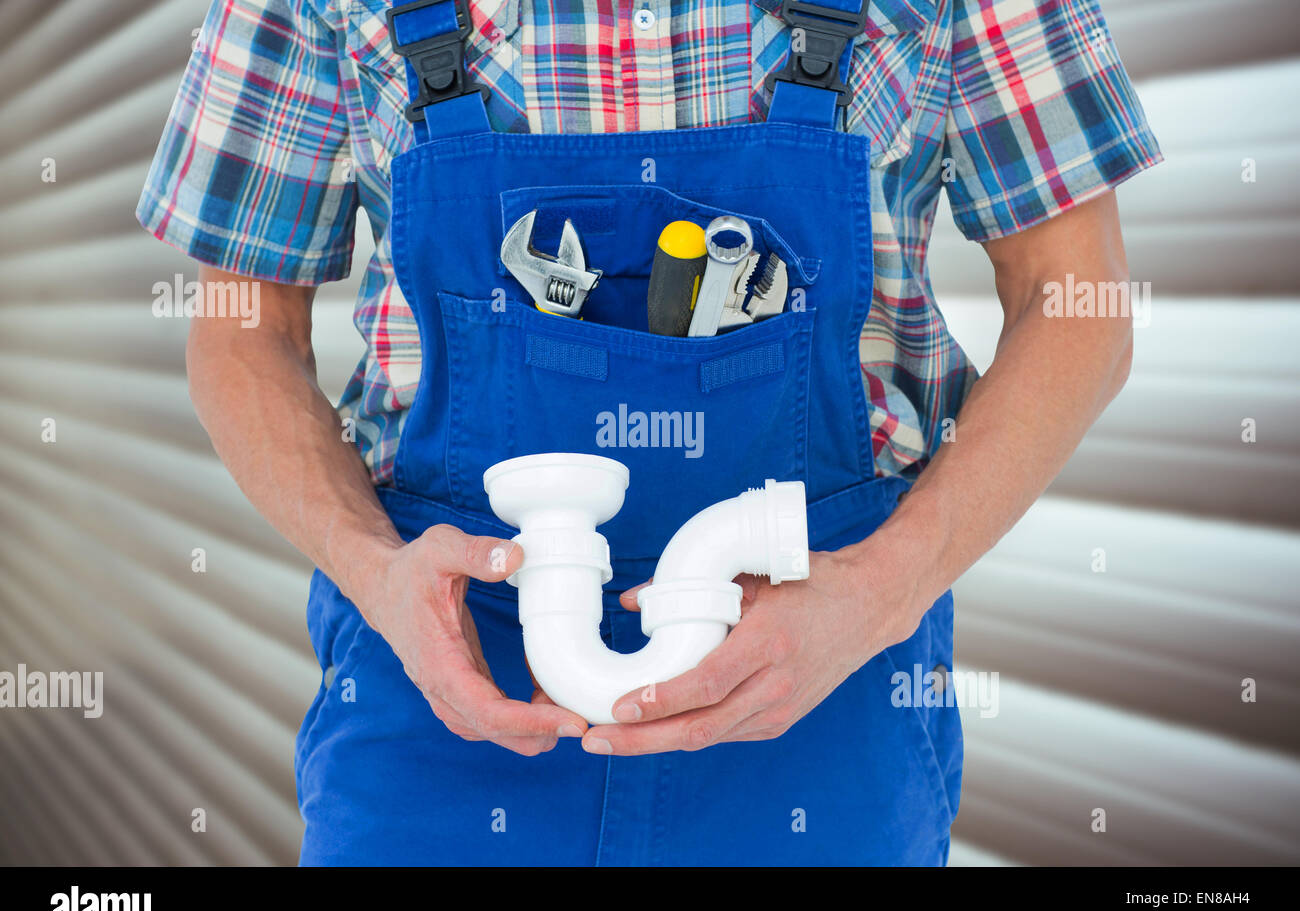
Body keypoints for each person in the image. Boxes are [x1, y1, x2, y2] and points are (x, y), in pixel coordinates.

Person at [137, 0, 1161, 865]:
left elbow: (1076, 306)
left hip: (828, 685)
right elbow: (241, 335)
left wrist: (884, 589)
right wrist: (377, 576)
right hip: (440, 685)